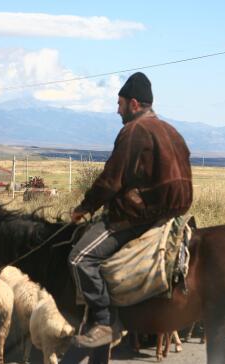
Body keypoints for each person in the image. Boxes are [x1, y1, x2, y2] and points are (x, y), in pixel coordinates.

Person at [69, 72, 193, 348]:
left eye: (120, 103)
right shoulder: (172, 131)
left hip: (137, 218)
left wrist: (83, 208)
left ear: (134, 104)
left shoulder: (134, 131)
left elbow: (111, 180)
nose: (117, 110)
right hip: (172, 215)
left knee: (80, 258)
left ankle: (104, 322)